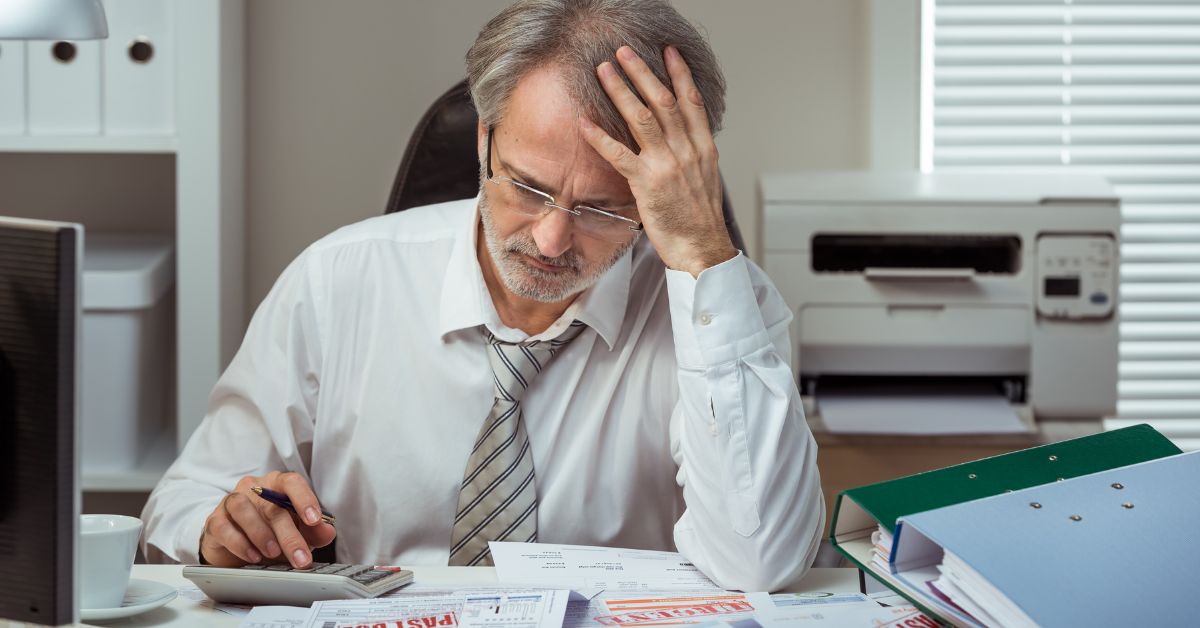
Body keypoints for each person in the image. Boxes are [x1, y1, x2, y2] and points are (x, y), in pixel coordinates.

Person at [141, 0, 823, 591]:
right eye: (526, 187)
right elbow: (180, 504)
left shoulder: (725, 312)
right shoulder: (340, 280)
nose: (552, 240)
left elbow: (760, 560)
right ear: (484, 139)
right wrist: (220, 528)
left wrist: (704, 253)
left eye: (603, 210)